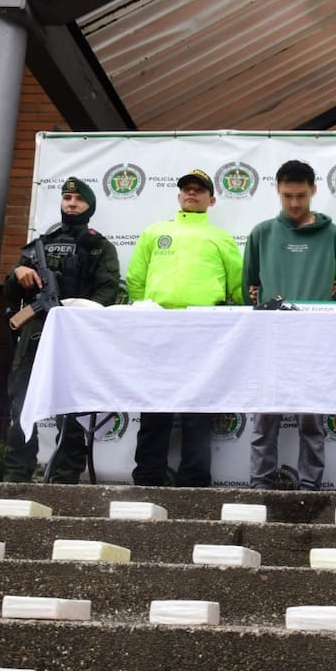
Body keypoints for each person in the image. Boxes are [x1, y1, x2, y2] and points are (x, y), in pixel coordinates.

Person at [125, 169, 243, 486]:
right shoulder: (155, 232)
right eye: (186, 190)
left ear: (211, 199)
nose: (192, 194)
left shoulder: (221, 238)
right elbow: (135, 280)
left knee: (198, 409)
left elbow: (238, 287)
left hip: (203, 331)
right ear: (179, 196)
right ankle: (148, 476)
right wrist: (149, 311)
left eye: (199, 190)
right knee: (154, 407)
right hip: (158, 328)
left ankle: (195, 479)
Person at [3, 176, 120, 483]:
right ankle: (15, 476)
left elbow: (107, 293)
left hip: (75, 336)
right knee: (21, 405)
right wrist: (19, 273)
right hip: (35, 334)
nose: (71, 204)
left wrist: (77, 316)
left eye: (78, 200)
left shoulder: (99, 247)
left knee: (72, 409)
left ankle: (65, 478)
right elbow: (9, 294)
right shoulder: (37, 246)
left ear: (89, 206)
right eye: (67, 199)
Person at [242, 159, 336, 491]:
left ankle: (310, 489)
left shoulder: (331, 234)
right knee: (264, 421)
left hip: (315, 342)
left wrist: (327, 306)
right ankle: (260, 486)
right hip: (271, 341)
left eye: (301, 195)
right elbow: (248, 289)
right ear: (277, 191)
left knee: (312, 422)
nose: (293, 203)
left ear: (314, 191)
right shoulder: (262, 232)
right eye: (287, 195)